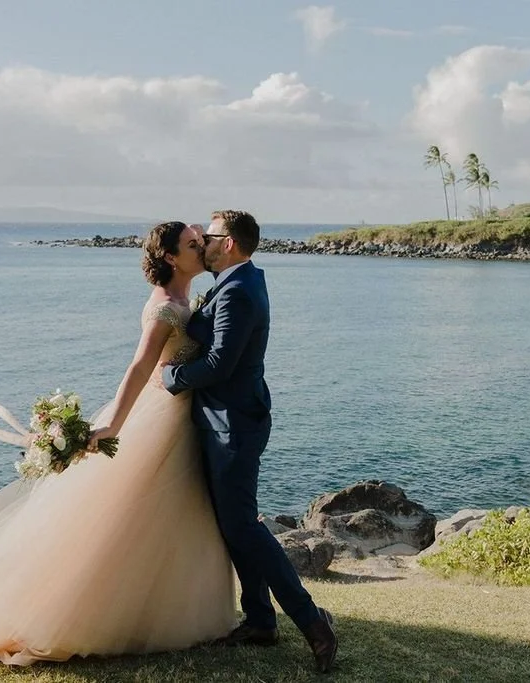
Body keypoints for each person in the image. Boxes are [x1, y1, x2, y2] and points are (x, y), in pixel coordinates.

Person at [0, 221, 238, 665]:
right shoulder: (166, 308)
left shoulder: (186, 298)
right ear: (170, 257)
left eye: (201, 240)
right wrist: (113, 426)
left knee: (176, 515)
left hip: (182, 414)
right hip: (160, 416)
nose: (201, 247)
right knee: (131, 515)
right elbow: (139, 368)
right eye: (192, 243)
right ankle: (94, 615)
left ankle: (168, 610)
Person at [161, 210, 338, 674]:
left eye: (211, 236)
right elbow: (208, 332)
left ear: (231, 244)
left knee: (244, 527)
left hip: (233, 424)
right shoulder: (238, 281)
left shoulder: (239, 291)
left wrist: (170, 377)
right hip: (227, 418)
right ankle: (260, 619)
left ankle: (311, 619)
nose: (204, 242)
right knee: (236, 524)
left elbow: (219, 364)